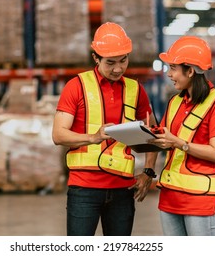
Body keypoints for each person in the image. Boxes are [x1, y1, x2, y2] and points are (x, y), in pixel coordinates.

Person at [52, 22, 159, 236]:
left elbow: (153, 133)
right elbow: (58, 134)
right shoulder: (77, 86)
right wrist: (93, 137)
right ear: (96, 58)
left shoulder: (135, 89)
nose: (118, 68)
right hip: (84, 190)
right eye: (110, 63)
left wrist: (148, 171)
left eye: (123, 60)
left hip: (123, 190)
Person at [149, 36, 215, 236]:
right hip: (170, 198)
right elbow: (164, 140)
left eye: (173, 68)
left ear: (190, 71)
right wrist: (147, 134)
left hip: (201, 200)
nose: (169, 74)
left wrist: (179, 143)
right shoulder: (175, 102)